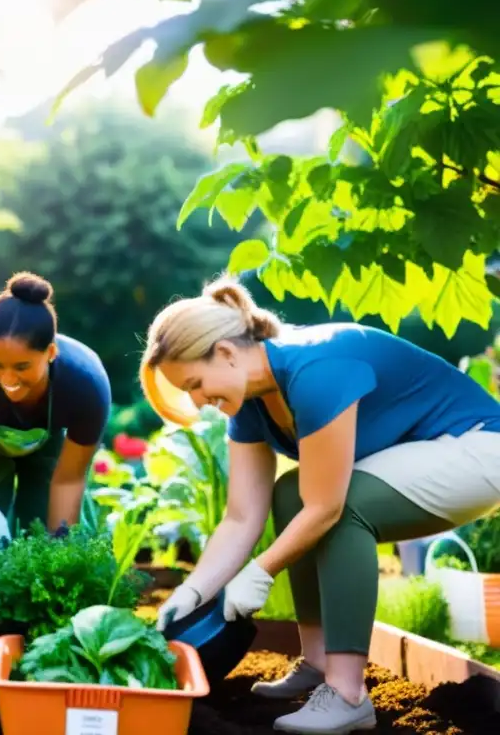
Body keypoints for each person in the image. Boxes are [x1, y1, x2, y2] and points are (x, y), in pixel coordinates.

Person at [142, 276, 500, 735]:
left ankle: (348, 693)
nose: (197, 401)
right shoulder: (249, 403)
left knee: (344, 507)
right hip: (424, 457)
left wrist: (260, 572)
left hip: (478, 448)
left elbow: (328, 508)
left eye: (194, 383)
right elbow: (241, 516)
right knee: (291, 494)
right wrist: (192, 591)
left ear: (227, 354)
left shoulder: (314, 370)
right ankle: (317, 662)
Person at [0, 272, 112, 564]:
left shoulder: (86, 384)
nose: (8, 379)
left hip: (49, 446)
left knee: (41, 543)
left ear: (50, 352)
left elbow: (68, 480)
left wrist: (59, 542)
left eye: (22, 367)